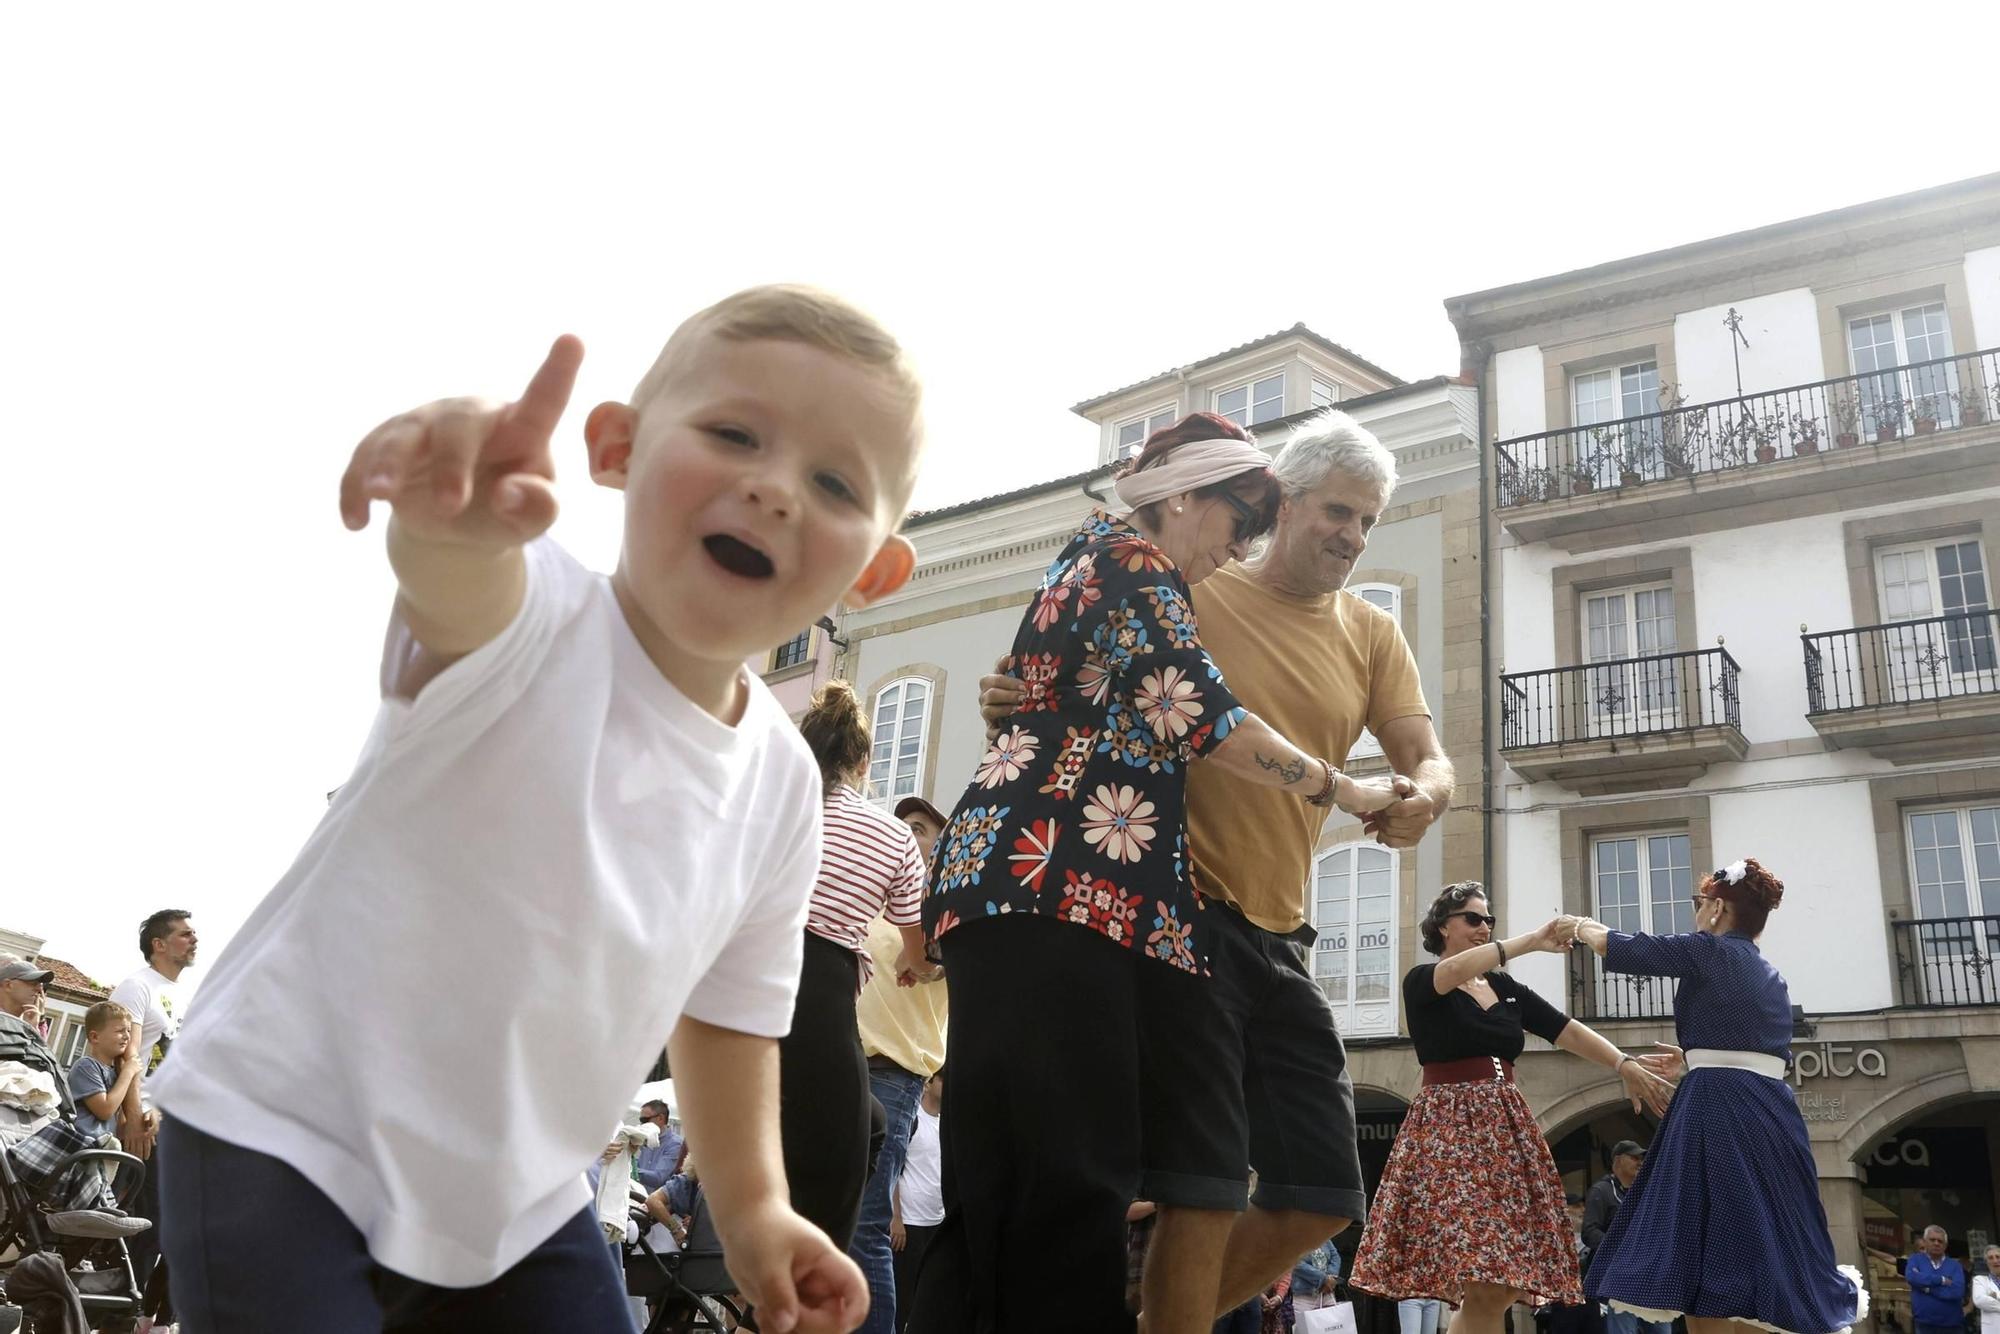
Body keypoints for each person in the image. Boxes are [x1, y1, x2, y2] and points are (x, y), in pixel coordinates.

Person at [148, 285, 930, 1332]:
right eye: (734, 434)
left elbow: (729, 1015)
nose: (773, 487)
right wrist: (448, 521)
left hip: (514, 1200)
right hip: (287, 1127)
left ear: (875, 568)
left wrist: (754, 1210)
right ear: (616, 448)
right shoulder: (531, 614)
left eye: (833, 481)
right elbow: (455, 586)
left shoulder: (784, 787)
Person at [917, 412, 1403, 1334]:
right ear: (1182, 496)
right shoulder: (1141, 567)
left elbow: (1039, 692)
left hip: (1022, 880)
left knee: (1007, 1167)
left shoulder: (1088, 555)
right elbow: (1204, 718)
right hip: (1061, 882)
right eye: (1238, 522)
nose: (1238, 549)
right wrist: (1343, 787)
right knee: (1070, 1173)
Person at [1349, 884, 1672, 1334]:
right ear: (1443, 927)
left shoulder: (1502, 987)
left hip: (1505, 1130)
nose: (1484, 927)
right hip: (1450, 1130)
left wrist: (1623, 1063)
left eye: (1489, 920)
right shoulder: (1424, 980)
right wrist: (1531, 941)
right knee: (1487, 1282)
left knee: (1500, 1285)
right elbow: (1455, 970)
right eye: (1473, 919)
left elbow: (1564, 1028)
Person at [1576, 859, 1866, 1334]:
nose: (1697, 912)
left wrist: (1579, 927)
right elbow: (1758, 1049)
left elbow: (1632, 949)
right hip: (1771, 1109)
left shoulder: (1711, 951)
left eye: (1700, 902)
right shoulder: (1770, 974)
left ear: (1716, 908)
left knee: (1703, 1243)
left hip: (1718, 1107)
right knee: (1761, 1240)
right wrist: (1696, 1059)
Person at [785, 679, 935, 1250]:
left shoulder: (770, 805)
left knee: (838, 1127)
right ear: (865, 762)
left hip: (748, 973)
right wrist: (919, 968)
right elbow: (919, 952)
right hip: (821, 990)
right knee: (851, 1148)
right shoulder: (893, 836)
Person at [109, 907, 196, 1310]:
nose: (194, 939)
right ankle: (117, 1315)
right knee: (141, 1222)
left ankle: (138, 1314)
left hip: (170, 1122)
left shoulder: (183, 994)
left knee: (165, 1225)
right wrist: (130, 1117)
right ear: (158, 944)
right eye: (184, 934)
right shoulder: (136, 987)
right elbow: (124, 1056)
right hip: (139, 1121)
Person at [1578, 1142, 1659, 1334]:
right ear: (1618, 1160)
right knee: (1623, 1329)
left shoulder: (1645, 1191)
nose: (1640, 1162)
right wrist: (1621, 1249)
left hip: (1647, 1274)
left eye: (1641, 1158)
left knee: (1660, 1329)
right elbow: (1589, 1231)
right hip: (1619, 1276)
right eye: (1634, 1157)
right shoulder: (1601, 1191)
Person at [891, 1068, 944, 1331]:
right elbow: (894, 1169)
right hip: (909, 1223)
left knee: (929, 1298)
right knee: (903, 1297)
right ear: (930, 1082)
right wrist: (896, 1218)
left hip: (937, 1222)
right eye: (943, 1079)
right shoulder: (912, 1119)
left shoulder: (946, 1124)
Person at [67, 1002, 143, 1140]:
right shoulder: (86, 1066)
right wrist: (128, 1072)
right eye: (120, 1031)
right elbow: (105, 1110)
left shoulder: (115, 1072)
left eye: (128, 1031)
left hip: (104, 1146)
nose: (127, 1036)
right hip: (84, 1144)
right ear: (95, 1037)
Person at [1904, 1226, 1964, 1334]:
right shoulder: (1915, 1259)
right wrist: (1941, 1280)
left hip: (1952, 1325)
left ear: (1945, 1245)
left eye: (1940, 1241)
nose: (1936, 1243)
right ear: (1925, 1242)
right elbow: (1912, 1277)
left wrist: (1927, 1289)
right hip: (1924, 1324)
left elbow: (1957, 1292)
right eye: (1932, 1240)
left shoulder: (1955, 1265)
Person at [1971, 1245, 2000, 1334]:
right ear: (1986, 1262)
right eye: (1990, 1258)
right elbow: (1980, 1300)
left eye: (1998, 1257)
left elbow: (1987, 1301)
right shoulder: (1979, 1280)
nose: (1995, 1261)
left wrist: (1994, 1298)